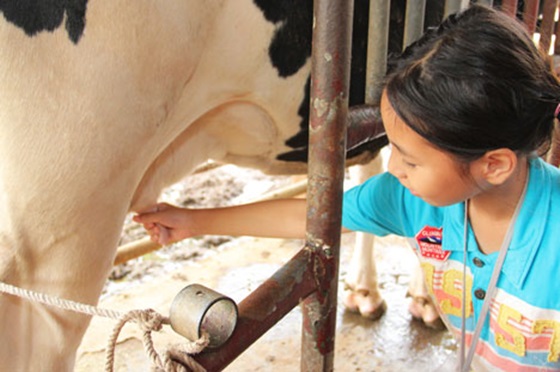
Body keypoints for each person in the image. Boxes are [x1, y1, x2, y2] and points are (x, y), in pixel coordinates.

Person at [134, 5, 560, 371]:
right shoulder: (409, 201)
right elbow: (312, 215)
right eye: (393, 149)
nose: (394, 168)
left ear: (495, 165)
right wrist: (193, 221)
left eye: (411, 159)